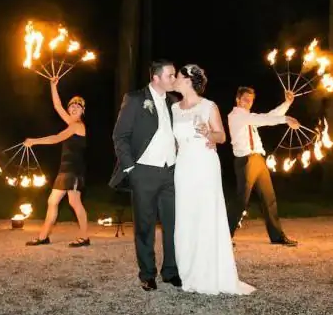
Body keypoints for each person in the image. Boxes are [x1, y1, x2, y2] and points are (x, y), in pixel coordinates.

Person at [170, 64, 255, 295]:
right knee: (186, 216)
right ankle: (189, 271)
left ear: (188, 80)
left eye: (177, 76)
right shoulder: (175, 108)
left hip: (205, 165)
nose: (174, 79)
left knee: (206, 215)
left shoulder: (209, 106)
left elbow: (222, 136)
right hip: (184, 166)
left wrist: (209, 134)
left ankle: (210, 273)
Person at [110, 60, 182, 291]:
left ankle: (170, 271)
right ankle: (147, 273)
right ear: (156, 78)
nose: (175, 79)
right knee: (144, 226)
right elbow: (120, 136)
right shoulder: (135, 99)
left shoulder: (174, 102)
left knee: (173, 225)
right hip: (144, 172)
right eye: (171, 75)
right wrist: (131, 168)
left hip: (170, 173)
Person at [226, 86, 300, 247]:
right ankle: (224, 237)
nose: (248, 102)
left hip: (258, 159)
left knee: (269, 198)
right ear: (237, 100)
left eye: (251, 100)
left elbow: (268, 116)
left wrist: (287, 103)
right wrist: (286, 119)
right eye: (245, 99)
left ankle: (277, 236)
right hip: (245, 161)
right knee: (241, 200)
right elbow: (264, 119)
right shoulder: (236, 116)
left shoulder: (249, 117)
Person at [24, 77, 89, 248]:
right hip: (64, 169)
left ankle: (84, 237)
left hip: (74, 170)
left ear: (83, 111)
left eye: (78, 106)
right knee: (52, 202)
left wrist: (34, 141)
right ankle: (43, 236)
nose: (74, 108)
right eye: (72, 106)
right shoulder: (70, 123)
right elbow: (57, 106)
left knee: (74, 202)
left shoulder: (78, 126)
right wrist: (53, 85)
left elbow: (56, 139)